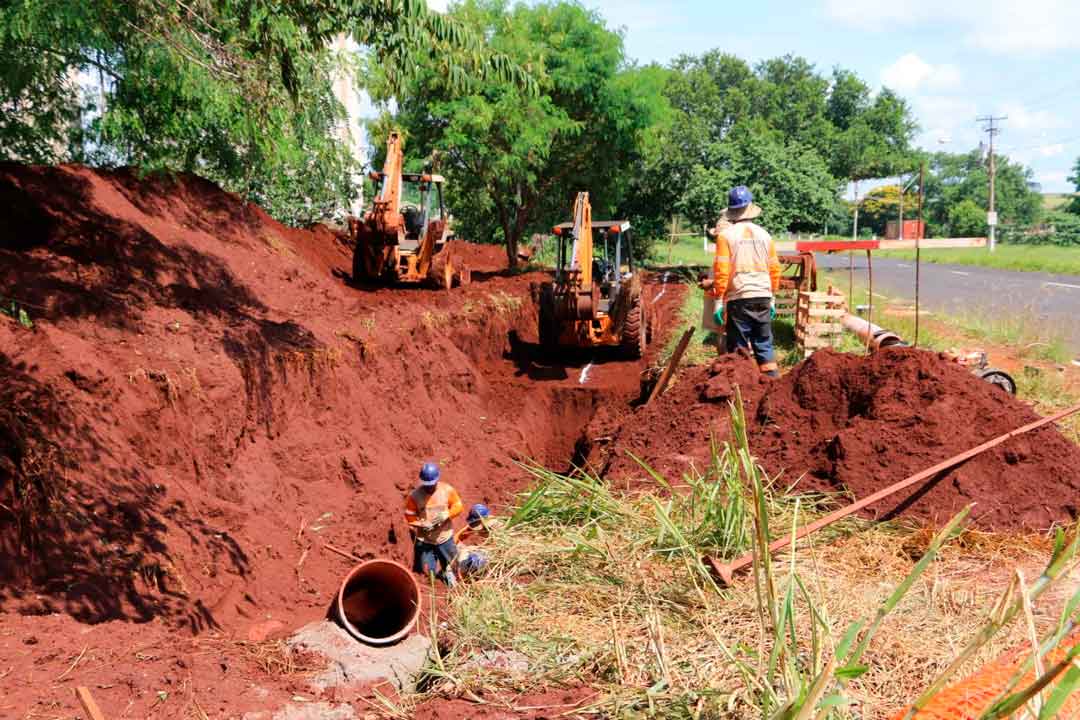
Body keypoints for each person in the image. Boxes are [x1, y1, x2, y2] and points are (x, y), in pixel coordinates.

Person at [699, 186, 781, 377]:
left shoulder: (726, 236)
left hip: (739, 299)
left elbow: (722, 271)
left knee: (739, 350)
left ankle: (742, 394)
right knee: (764, 345)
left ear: (731, 212)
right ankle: (773, 387)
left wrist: (719, 301)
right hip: (763, 296)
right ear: (750, 210)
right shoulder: (765, 235)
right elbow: (774, 269)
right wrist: (773, 298)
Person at [404, 462, 464, 587]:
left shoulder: (447, 490)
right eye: (426, 485)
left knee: (452, 564)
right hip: (426, 541)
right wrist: (421, 524)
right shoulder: (415, 496)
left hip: (445, 538)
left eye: (431, 485)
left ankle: (451, 580)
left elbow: (458, 506)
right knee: (427, 572)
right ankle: (433, 586)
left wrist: (447, 514)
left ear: (437, 480)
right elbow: (409, 516)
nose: (429, 488)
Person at [454, 504, 493, 578]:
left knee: (476, 559)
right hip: (485, 548)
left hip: (493, 553)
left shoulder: (496, 527)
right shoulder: (477, 525)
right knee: (463, 552)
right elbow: (461, 535)